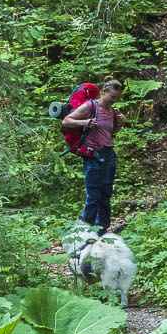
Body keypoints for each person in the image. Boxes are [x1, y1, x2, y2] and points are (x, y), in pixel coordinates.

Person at [61, 80, 123, 233]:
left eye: (117, 98)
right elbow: (66, 121)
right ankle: (83, 233)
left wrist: (120, 123)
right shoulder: (90, 106)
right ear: (104, 92)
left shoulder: (112, 111)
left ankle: (101, 232)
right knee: (93, 196)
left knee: (106, 195)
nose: (114, 101)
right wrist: (85, 122)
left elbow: (110, 133)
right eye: (112, 97)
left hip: (109, 156)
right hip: (93, 157)